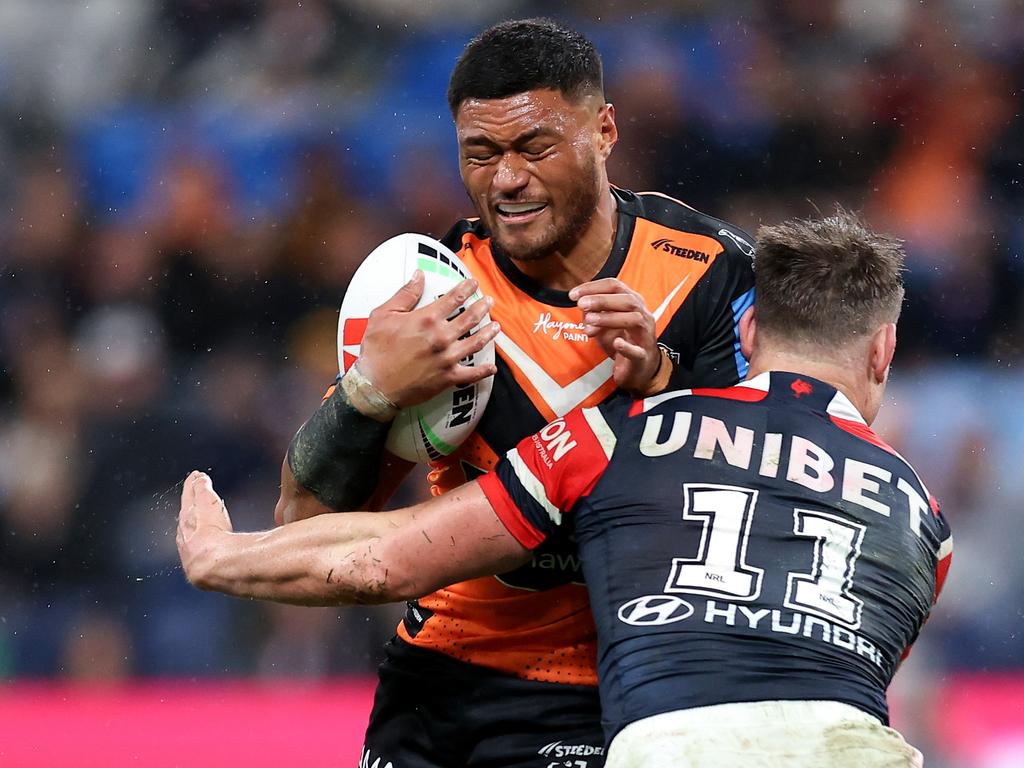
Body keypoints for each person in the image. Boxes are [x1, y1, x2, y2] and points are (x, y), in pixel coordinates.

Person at [178, 211, 952, 768]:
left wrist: (225, 557)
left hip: (669, 747)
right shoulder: (924, 519)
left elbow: (389, 557)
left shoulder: (618, 435)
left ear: (747, 336)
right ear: (883, 348)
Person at [275, 17, 755, 767]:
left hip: (626, 684)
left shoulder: (709, 271)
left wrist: (666, 384)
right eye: (481, 154)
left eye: (534, 146)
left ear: (603, 131)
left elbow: (772, 501)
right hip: (442, 684)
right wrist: (370, 391)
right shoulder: (435, 293)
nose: (507, 179)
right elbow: (306, 526)